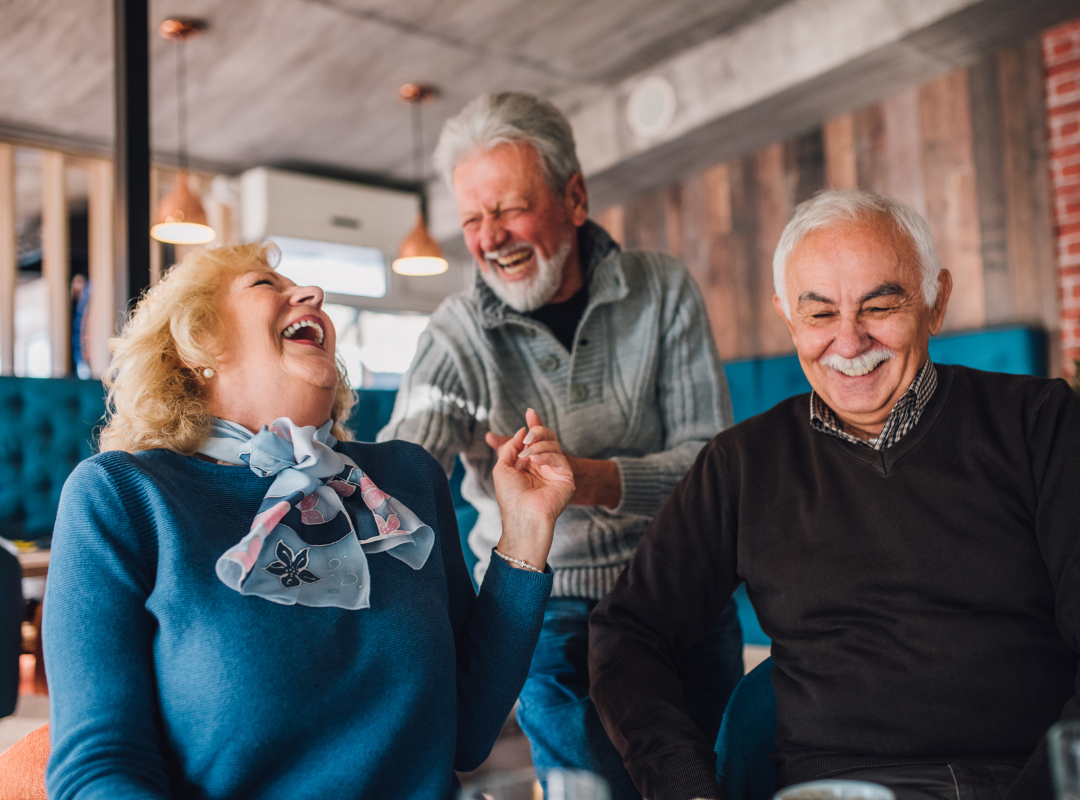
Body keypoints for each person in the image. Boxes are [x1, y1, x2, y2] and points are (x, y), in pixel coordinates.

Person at [588, 189, 1080, 800]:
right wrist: (686, 786)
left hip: (1021, 778)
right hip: (833, 790)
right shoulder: (741, 464)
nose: (849, 343)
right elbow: (628, 631)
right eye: (820, 314)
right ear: (787, 316)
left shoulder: (1041, 424)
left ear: (936, 301)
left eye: (879, 306)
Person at [43, 243, 575, 800]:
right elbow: (98, 767)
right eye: (263, 285)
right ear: (194, 348)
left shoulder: (405, 478)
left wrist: (527, 529)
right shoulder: (123, 495)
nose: (312, 294)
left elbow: (466, 732)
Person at [378, 91, 744, 797]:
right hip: (545, 609)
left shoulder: (662, 290)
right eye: (473, 220)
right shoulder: (457, 334)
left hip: (677, 587)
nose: (491, 238)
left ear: (573, 197)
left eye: (510, 209)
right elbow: (402, 469)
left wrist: (590, 478)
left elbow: (713, 471)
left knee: (711, 782)